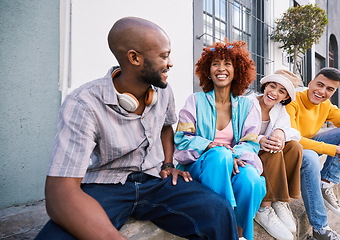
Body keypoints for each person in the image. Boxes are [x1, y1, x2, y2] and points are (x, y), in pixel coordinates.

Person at [35, 17, 239, 240]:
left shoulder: (163, 90)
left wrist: (168, 164)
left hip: (155, 181)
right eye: (164, 56)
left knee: (219, 211)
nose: (170, 63)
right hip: (105, 186)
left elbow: (165, 127)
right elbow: (60, 195)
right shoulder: (83, 103)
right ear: (134, 58)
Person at [174, 40, 266, 240]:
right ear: (208, 70)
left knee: (250, 180)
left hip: (232, 164)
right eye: (215, 63)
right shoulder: (195, 101)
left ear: (237, 70)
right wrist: (210, 145)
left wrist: (232, 154)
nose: (221, 69)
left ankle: (240, 236)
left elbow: (251, 144)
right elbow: (181, 139)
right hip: (198, 167)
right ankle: (221, 231)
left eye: (228, 64)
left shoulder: (246, 106)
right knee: (219, 155)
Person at [285, 67, 340, 240]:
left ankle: (325, 182)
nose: (322, 92)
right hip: (287, 149)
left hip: (307, 144)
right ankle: (321, 229)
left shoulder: (326, 105)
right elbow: (292, 138)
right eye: (320, 85)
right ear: (310, 83)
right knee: (311, 157)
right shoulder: (292, 100)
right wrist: (336, 150)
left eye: (330, 89)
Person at [247, 70, 303, 240]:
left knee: (294, 147)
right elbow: (236, 132)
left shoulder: (279, 109)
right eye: (272, 86)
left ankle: (281, 200)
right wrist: (259, 139)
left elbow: (294, 133)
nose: (274, 93)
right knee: (274, 149)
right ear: (265, 86)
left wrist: (280, 133)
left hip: (268, 153)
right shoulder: (248, 103)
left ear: (285, 97)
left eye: (281, 91)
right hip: (248, 152)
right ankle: (264, 208)